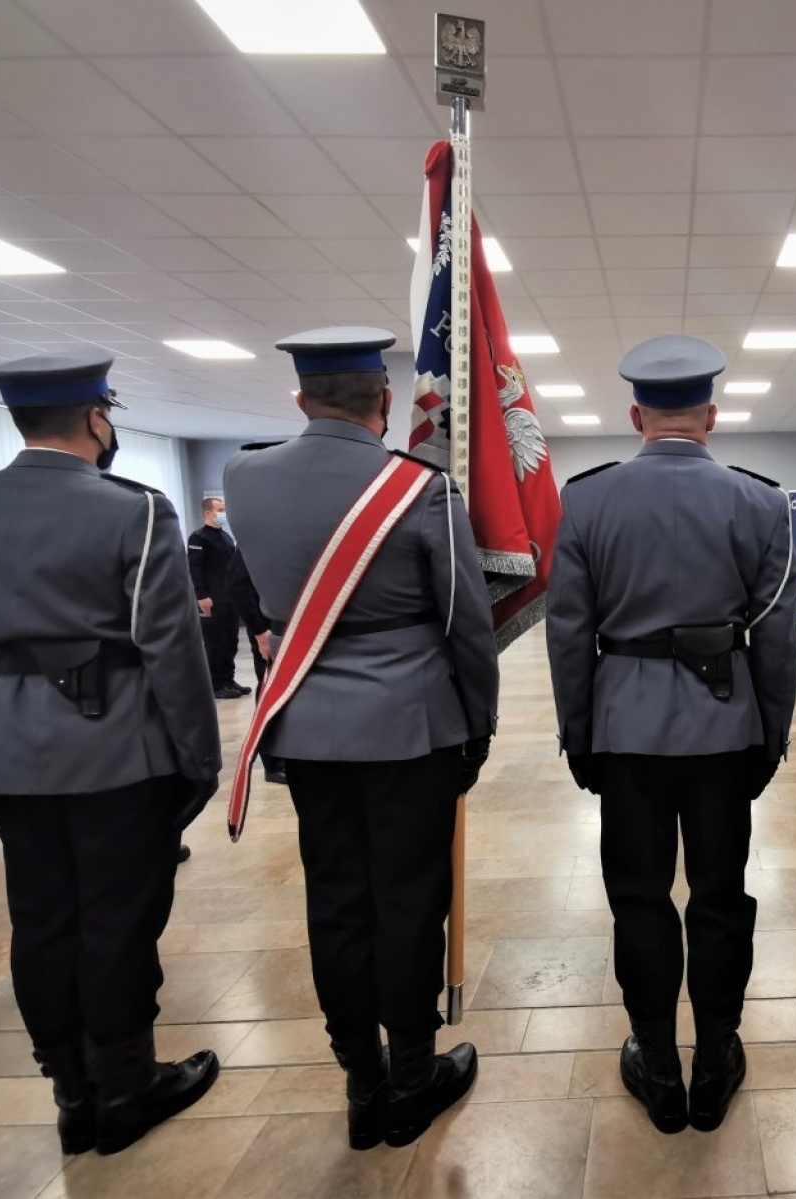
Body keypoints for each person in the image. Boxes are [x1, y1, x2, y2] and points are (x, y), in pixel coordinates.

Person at [0, 352, 222, 1157]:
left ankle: (72, 1095)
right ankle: (126, 1089)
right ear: (96, 417)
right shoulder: (135, 509)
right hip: (119, 750)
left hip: (8, 749)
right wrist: (199, 756)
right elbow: (170, 648)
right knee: (118, 922)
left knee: (42, 922)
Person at [224, 327, 498, 1151]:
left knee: (335, 898)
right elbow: (465, 621)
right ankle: (413, 1078)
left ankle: (361, 1080)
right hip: (410, 728)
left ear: (299, 398)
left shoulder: (243, 477)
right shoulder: (420, 487)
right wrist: (477, 724)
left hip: (307, 725)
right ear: (384, 400)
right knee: (409, 899)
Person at [546, 334, 796, 1137]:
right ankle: (715, 1060)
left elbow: (568, 631)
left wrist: (579, 734)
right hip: (726, 731)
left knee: (639, 898)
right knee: (721, 896)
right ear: (710, 417)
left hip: (626, 731)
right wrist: (771, 735)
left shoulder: (586, 501)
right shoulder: (760, 501)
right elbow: (777, 634)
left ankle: (658, 1065)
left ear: (636, 417)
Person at [224, 543, 288, 785]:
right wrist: (260, 631)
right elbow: (236, 585)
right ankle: (274, 762)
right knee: (271, 692)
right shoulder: (255, 539)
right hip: (269, 630)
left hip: (292, 627)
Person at [188, 497, 249, 700]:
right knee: (216, 643)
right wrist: (201, 596)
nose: (224, 513)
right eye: (220, 509)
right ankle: (217, 684)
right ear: (207, 513)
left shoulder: (225, 537)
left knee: (231, 641)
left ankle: (228, 679)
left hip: (228, 598)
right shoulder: (198, 538)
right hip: (211, 600)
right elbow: (194, 570)